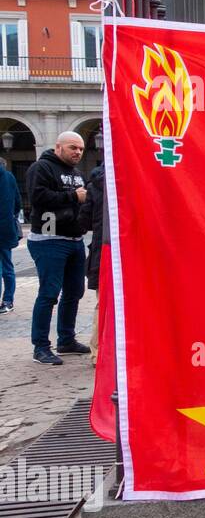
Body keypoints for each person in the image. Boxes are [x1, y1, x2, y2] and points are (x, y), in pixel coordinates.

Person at [26, 131, 90, 366]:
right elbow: (38, 197)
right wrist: (73, 196)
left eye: (81, 149)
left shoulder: (77, 173)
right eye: (73, 147)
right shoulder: (41, 168)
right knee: (49, 293)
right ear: (58, 147)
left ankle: (66, 339)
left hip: (73, 240)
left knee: (75, 292)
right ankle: (40, 346)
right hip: (48, 239)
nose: (78, 152)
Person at [80, 163, 106, 364]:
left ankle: (98, 353)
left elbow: (84, 221)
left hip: (102, 248)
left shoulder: (95, 182)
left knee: (103, 303)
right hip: (133, 247)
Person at [0, 157, 21, 313]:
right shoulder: (10, 177)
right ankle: (8, 300)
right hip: (6, 229)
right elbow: (18, 203)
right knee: (7, 266)